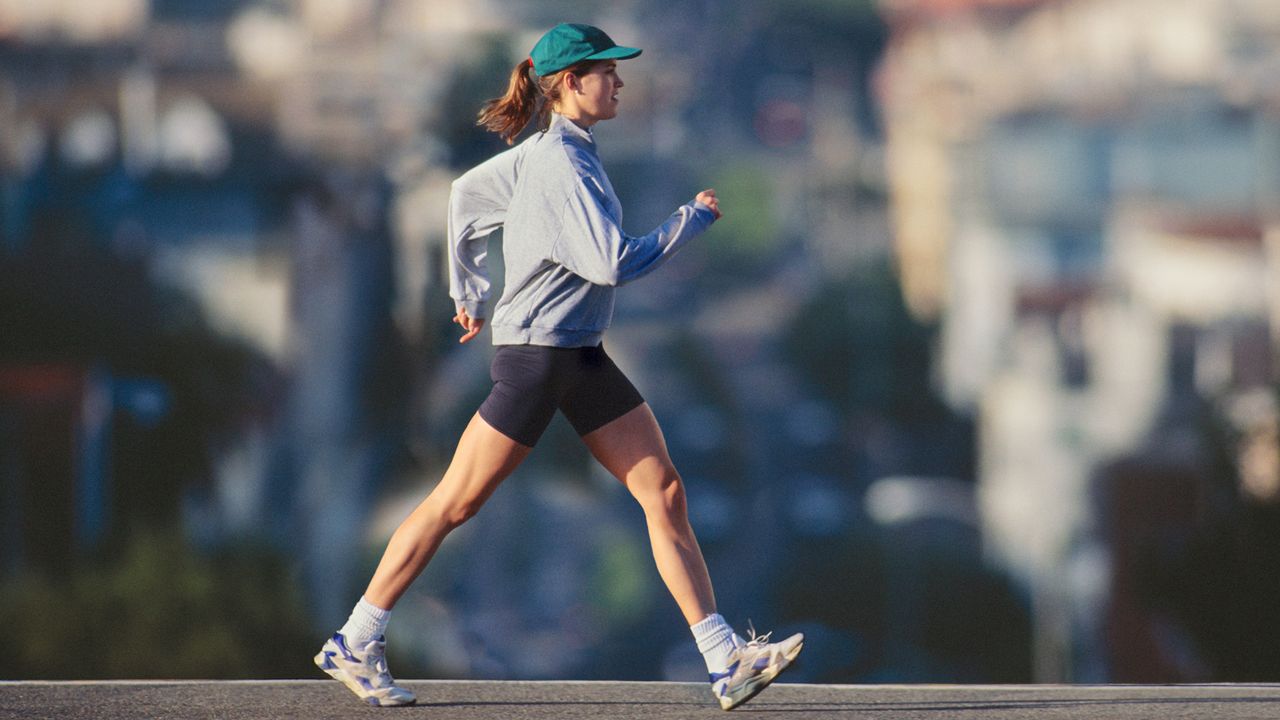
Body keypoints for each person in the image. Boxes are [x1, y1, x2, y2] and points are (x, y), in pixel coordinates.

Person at [314, 22, 803, 711]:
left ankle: (726, 660)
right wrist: (688, 221)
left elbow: (463, 197)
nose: (620, 82)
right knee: (455, 502)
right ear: (570, 83)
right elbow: (612, 262)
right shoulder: (560, 166)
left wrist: (470, 293)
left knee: (663, 492)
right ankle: (356, 640)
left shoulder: (550, 153)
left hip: (579, 355)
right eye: (608, 71)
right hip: (540, 361)